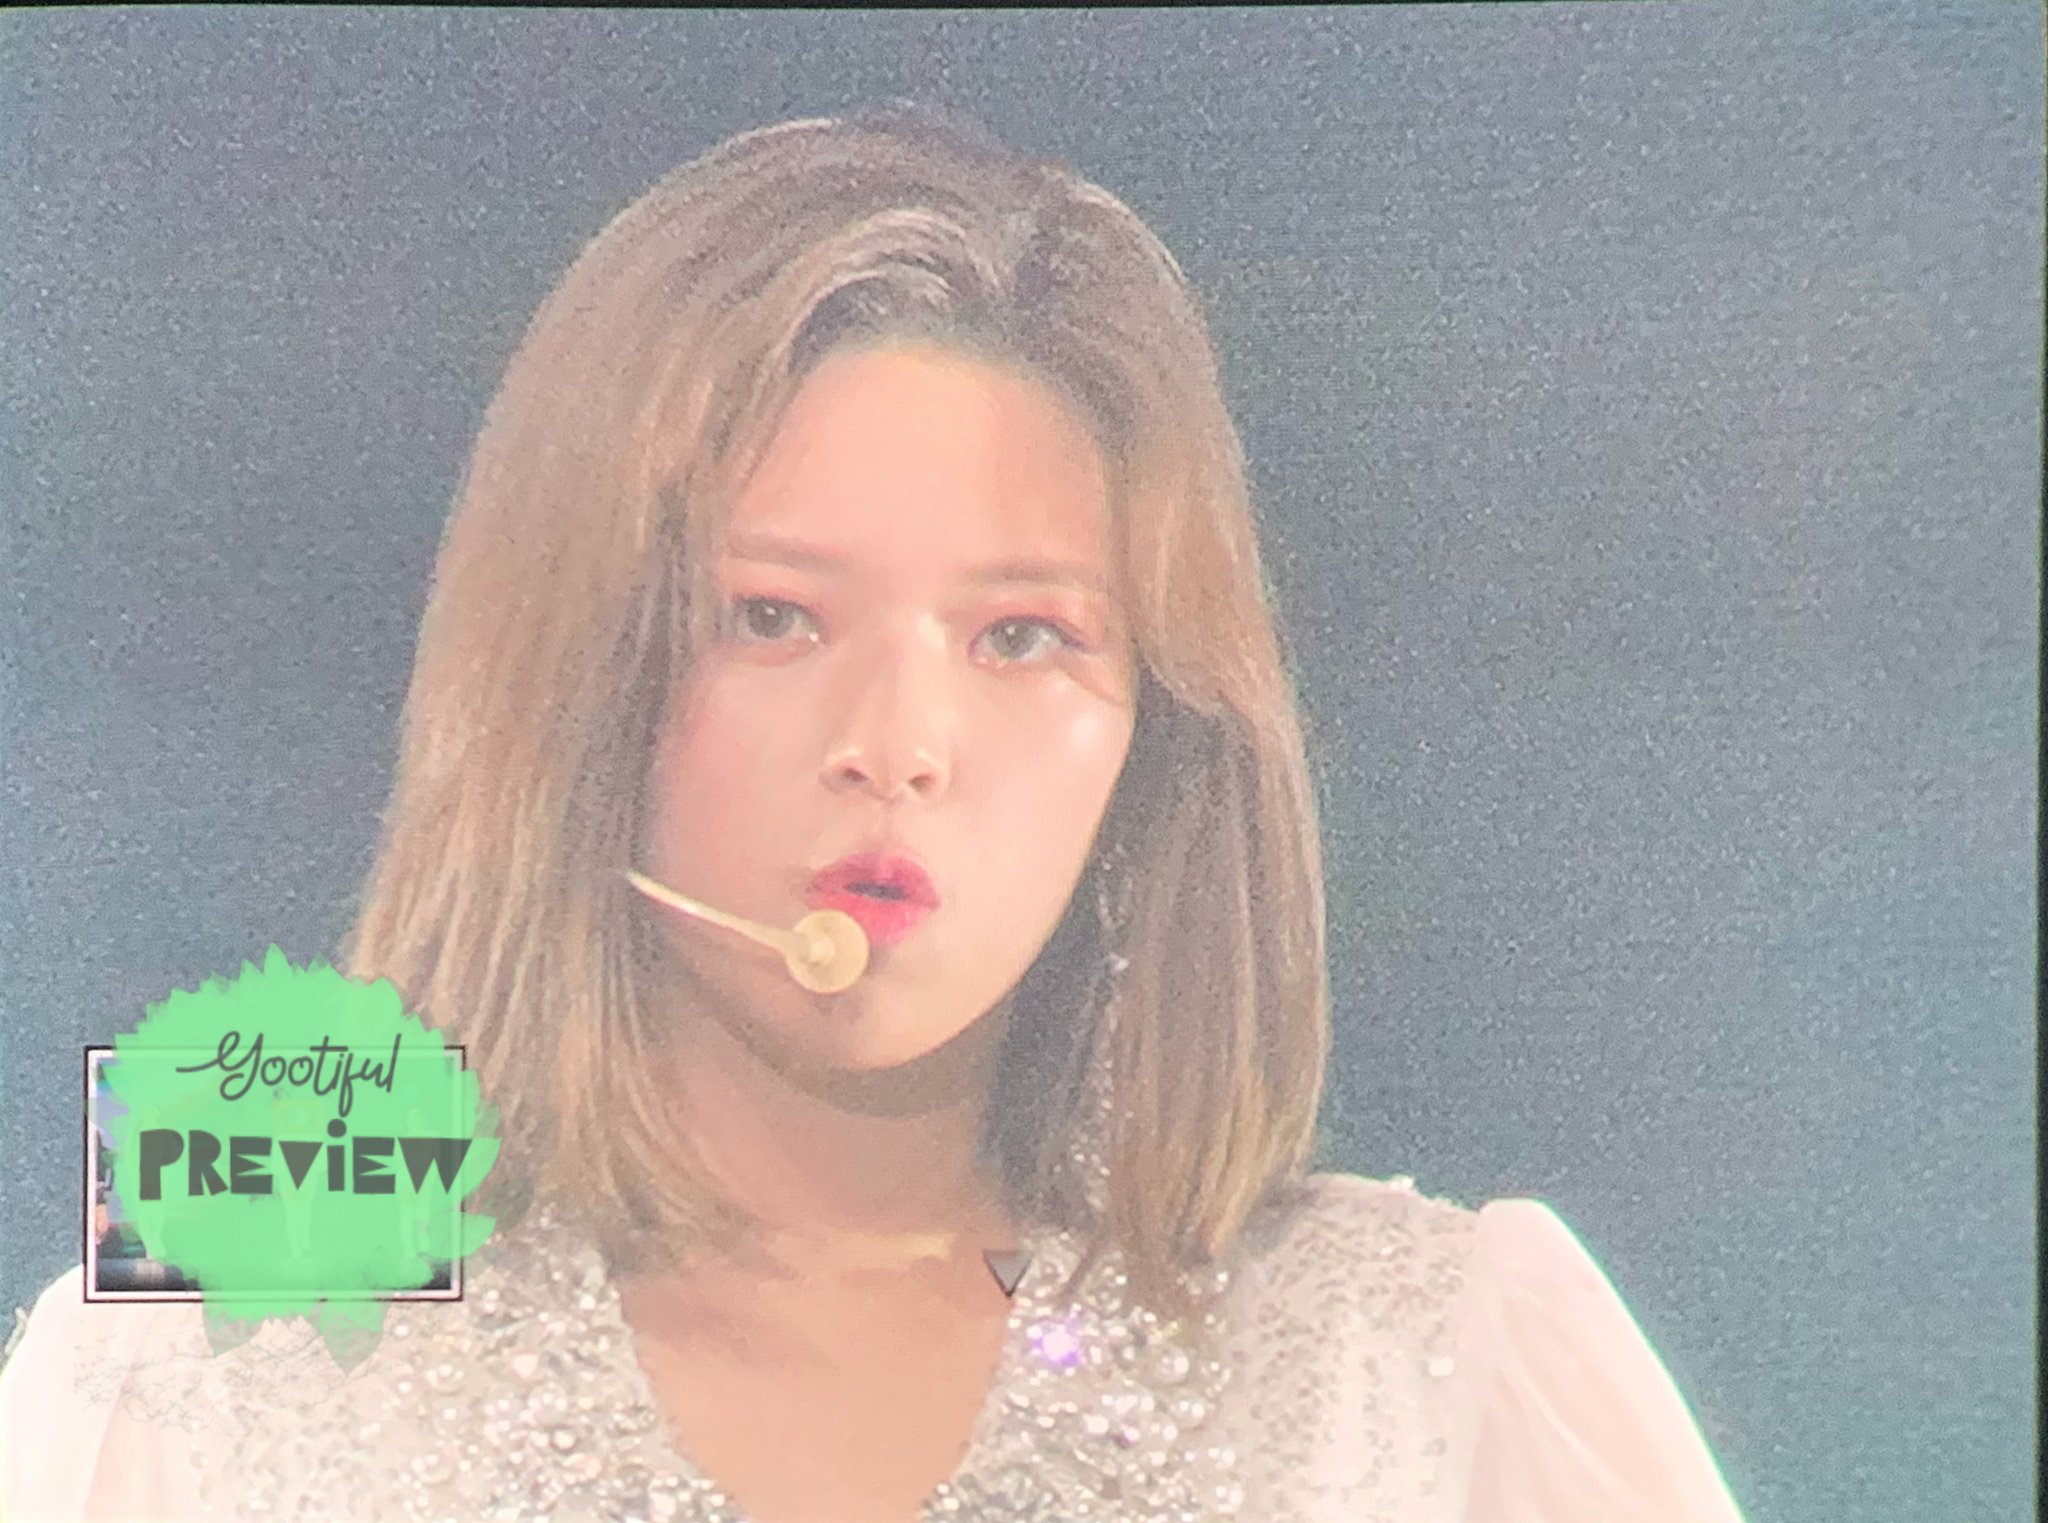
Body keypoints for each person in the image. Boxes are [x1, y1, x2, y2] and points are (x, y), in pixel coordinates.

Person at [0, 104, 1748, 1523]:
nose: (897, 745)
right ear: (574, 678)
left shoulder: (1424, 1370)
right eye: (772, 618)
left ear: (1159, 731)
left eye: (1022, 637)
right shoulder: (214, 1364)